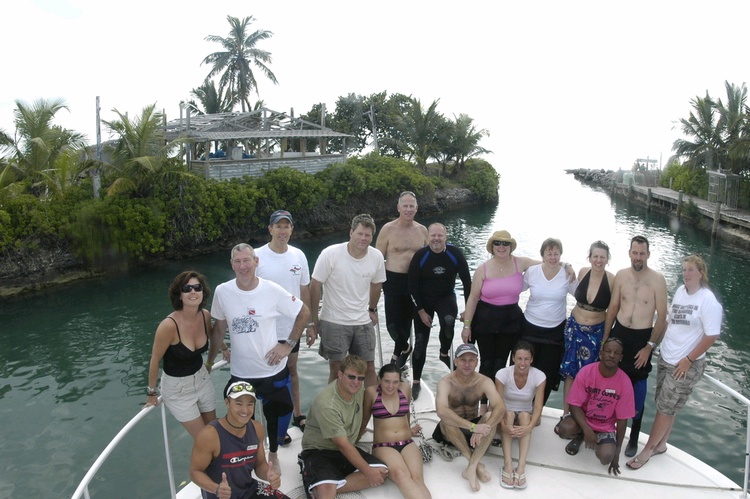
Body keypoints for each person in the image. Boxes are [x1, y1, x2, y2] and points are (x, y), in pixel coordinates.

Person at [208, 243, 311, 470]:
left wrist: (288, 344)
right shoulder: (222, 291)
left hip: (271, 369)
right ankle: (251, 458)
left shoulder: (272, 290)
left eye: (247, 260)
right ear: (232, 265)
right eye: (238, 261)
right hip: (241, 372)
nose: (243, 266)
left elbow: (304, 312)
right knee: (242, 418)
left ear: (256, 262)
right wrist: (210, 360)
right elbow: (218, 329)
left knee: (277, 413)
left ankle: (273, 453)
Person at [627, 255, 723, 470]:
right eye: (684, 270)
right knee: (666, 405)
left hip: (684, 364)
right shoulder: (680, 292)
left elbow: (712, 335)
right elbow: (669, 323)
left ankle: (647, 450)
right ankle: (661, 444)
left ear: (701, 273)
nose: (686, 274)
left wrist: (689, 360)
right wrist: (653, 345)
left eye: (691, 270)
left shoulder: (707, 300)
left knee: (664, 407)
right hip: (666, 357)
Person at [461, 231, 573, 391]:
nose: (501, 246)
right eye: (497, 243)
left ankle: (498, 403)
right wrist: (467, 325)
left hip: (510, 321)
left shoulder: (520, 263)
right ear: (492, 247)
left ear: (511, 246)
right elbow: (472, 298)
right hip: (486, 320)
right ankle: (484, 405)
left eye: (505, 243)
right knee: (486, 363)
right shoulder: (482, 269)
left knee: (502, 364)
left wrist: (567, 265)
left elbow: (549, 262)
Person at [603, 235, 668, 458]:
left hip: (642, 338)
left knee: (637, 384)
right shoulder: (621, 276)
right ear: (629, 253)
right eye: (635, 253)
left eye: (642, 253)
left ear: (648, 254)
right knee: (611, 382)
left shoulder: (658, 280)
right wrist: (605, 339)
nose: (638, 257)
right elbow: (612, 308)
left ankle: (633, 436)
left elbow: (662, 318)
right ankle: (607, 431)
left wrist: (649, 347)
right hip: (619, 332)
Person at [310, 214, 386, 386]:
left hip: (362, 321)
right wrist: (314, 321)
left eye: (367, 235)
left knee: (369, 368)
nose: (363, 238)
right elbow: (315, 286)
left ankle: (371, 409)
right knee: (337, 369)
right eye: (360, 233)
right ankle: (334, 409)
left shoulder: (376, 257)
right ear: (351, 232)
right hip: (334, 321)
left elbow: (377, 285)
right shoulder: (330, 254)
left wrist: (372, 309)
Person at [255, 209, 313, 433]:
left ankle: (297, 414)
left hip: (293, 328)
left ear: (292, 229)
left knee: (292, 370)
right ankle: (270, 424)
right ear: (270, 229)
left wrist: (309, 324)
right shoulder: (257, 256)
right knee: (268, 375)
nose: (282, 230)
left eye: (286, 226)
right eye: (278, 226)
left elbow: (304, 290)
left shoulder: (298, 255)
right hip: (266, 329)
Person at [299, 355, 388, 499]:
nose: (356, 383)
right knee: (328, 494)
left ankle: (326, 485)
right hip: (320, 450)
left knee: (382, 472)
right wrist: (367, 471)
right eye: (351, 377)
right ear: (340, 374)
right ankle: (324, 486)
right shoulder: (327, 404)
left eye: (360, 378)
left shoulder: (358, 388)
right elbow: (343, 445)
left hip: (346, 446)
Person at [146, 270, 217, 439]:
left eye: (197, 287)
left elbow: (214, 335)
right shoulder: (169, 326)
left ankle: (217, 465)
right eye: (187, 288)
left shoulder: (204, 315)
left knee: (214, 433)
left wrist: (225, 350)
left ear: (203, 291)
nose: (193, 291)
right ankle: (202, 466)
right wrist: (151, 393)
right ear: (179, 295)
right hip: (178, 390)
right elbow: (155, 360)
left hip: (202, 379)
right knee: (204, 440)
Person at [189, 381, 289, 499]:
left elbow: (260, 464)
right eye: (238, 403)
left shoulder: (257, 429)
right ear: (227, 403)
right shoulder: (209, 435)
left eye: (250, 404)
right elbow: (195, 472)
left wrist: (269, 475)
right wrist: (216, 489)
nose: (245, 410)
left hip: (248, 489)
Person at [407, 222, 472, 399]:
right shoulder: (421, 255)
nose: (436, 239)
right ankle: (416, 381)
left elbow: (467, 283)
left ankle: (444, 353)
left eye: (440, 236)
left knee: (449, 321)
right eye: (433, 236)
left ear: (445, 237)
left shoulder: (454, 254)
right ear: (427, 237)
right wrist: (420, 310)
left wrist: (468, 310)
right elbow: (411, 285)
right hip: (423, 300)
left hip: (446, 297)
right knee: (420, 343)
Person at [556, 338, 635, 476]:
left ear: (621, 358)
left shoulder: (625, 382)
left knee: (606, 457)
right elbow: (574, 405)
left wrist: (617, 453)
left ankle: (599, 440)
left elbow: (623, 420)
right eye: (608, 351)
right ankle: (580, 436)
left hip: (605, 425)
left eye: (616, 353)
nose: (611, 355)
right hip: (583, 419)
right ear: (601, 353)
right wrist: (587, 430)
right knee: (564, 430)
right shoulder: (586, 372)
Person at [433, 343, 505, 492]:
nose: (467, 364)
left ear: (477, 362)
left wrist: (483, 428)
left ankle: (471, 467)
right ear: (455, 361)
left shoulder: (483, 381)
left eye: (471, 360)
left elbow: (500, 407)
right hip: (452, 433)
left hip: (475, 436)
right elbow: (441, 411)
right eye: (463, 360)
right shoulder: (446, 382)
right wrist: (473, 427)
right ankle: (475, 464)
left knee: (491, 416)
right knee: (447, 419)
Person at [559, 241, 615, 423]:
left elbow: (614, 310)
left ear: (607, 259)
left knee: (589, 376)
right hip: (574, 329)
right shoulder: (583, 272)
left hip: (595, 333)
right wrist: (567, 265)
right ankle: (566, 414)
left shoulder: (612, 280)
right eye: (595, 256)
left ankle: (584, 417)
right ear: (589, 257)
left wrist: (605, 339)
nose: (598, 260)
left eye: (602, 257)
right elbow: (557, 262)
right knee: (570, 373)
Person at [360, 364, 431, 499]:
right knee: (400, 474)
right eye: (386, 381)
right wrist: (351, 441)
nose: (391, 386)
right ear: (379, 379)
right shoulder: (370, 392)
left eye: (395, 382)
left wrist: (409, 430)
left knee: (417, 479)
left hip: (407, 442)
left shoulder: (405, 388)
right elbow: (364, 420)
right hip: (383, 446)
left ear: (400, 381)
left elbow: (407, 414)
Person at [520, 238, 577, 404]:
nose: (553, 257)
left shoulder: (567, 275)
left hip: (554, 331)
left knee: (547, 373)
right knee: (524, 368)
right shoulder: (532, 271)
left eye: (556, 253)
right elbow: (516, 288)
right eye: (549, 253)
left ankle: (537, 409)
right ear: (542, 255)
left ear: (561, 255)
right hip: (529, 328)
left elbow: (582, 295)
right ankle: (520, 405)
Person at [376, 191, 428, 367]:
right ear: (398, 207)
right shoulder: (388, 229)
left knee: (407, 326)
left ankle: (396, 361)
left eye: (411, 206)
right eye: (405, 206)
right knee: (392, 326)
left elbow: (429, 259)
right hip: (392, 282)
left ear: (416, 208)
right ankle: (405, 349)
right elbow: (377, 259)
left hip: (416, 283)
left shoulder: (422, 230)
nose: (408, 209)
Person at [494, 340, 546, 489]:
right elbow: (498, 404)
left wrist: (529, 426)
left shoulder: (539, 376)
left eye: (526, 359)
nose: (522, 363)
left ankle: (521, 466)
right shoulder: (502, 374)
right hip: (505, 413)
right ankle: (508, 465)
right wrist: (503, 425)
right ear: (513, 358)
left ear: (532, 360)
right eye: (519, 358)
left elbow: (537, 407)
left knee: (524, 416)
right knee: (509, 414)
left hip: (525, 414)